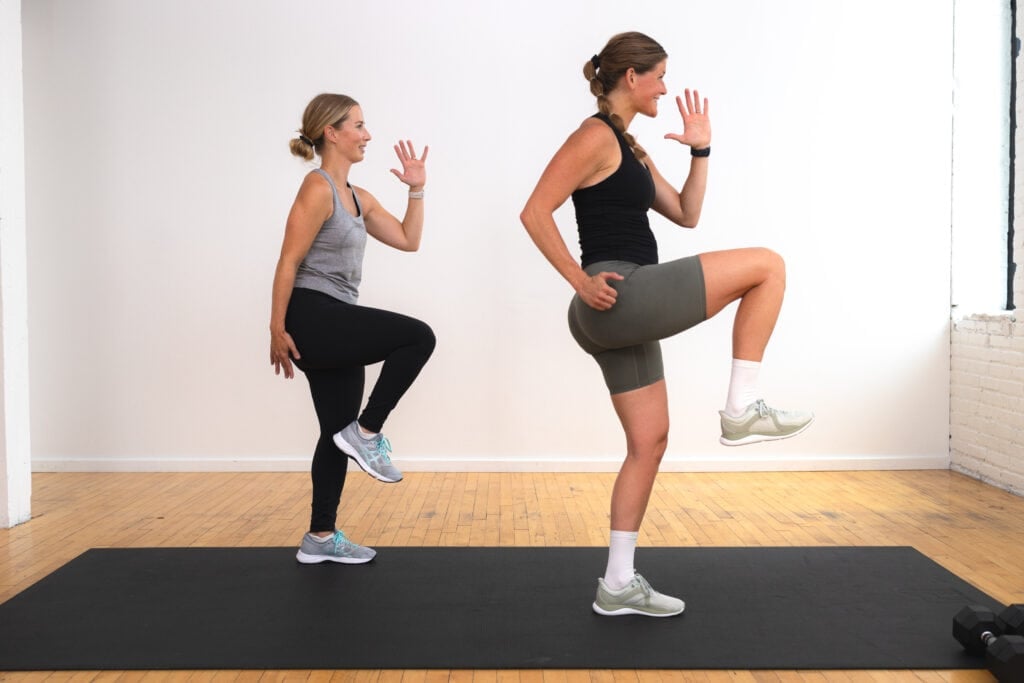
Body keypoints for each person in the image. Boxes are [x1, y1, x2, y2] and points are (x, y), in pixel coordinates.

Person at [520, 32, 813, 617]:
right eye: (658, 76)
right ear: (631, 77)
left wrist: (700, 152)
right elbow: (534, 210)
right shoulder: (593, 136)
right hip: (615, 292)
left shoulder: (628, 147)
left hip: (620, 308)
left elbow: (686, 213)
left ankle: (617, 584)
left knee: (648, 443)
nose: (665, 87)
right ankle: (741, 408)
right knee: (768, 267)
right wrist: (580, 281)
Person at [270, 93, 436, 565]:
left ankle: (320, 537)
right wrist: (276, 327)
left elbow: (408, 240)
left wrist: (417, 190)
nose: (367, 135)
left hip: (334, 317)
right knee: (418, 335)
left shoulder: (360, 198)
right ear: (331, 132)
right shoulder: (317, 188)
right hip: (312, 315)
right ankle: (368, 431)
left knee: (333, 434)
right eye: (359, 126)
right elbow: (289, 260)